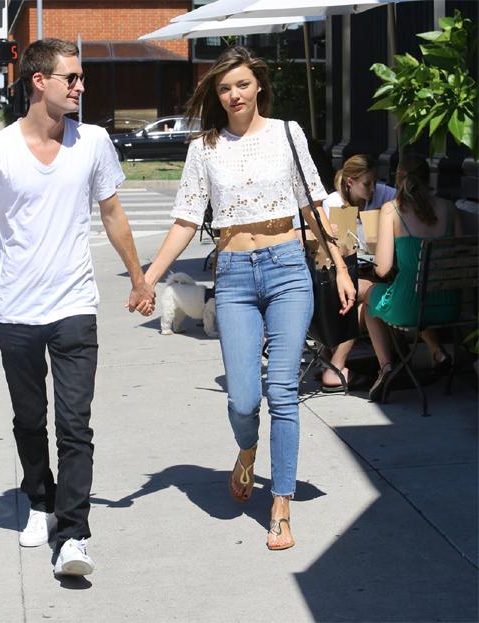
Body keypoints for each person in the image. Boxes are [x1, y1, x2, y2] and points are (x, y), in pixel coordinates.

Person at [0, 38, 155, 576]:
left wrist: (138, 278)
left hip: (74, 306)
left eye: (81, 77)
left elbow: (112, 214)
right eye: (73, 77)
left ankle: (73, 536)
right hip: (17, 309)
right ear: (40, 81)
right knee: (28, 419)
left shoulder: (93, 142)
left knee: (74, 425)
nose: (81, 86)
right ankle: (40, 501)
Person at [144, 46, 355, 550]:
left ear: (258, 84)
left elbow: (313, 203)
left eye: (242, 84)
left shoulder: (287, 133)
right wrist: (148, 278)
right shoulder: (204, 147)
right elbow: (186, 219)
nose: (234, 94)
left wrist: (342, 266)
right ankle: (246, 449)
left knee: (281, 391)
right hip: (236, 275)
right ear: (216, 95)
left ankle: (280, 503)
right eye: (224, 88)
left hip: (287, 270)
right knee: (243, 399)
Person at [363, 154, 461, 401]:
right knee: (417, 294)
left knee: (369, 295)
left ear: (398, 178)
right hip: (449, 306)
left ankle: (386, 367)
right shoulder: (449, 208)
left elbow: (382, 269)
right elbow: (459, 255)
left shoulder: (392, 210)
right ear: (429, 178)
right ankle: (437, 351)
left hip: (410, 306)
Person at [320, 155, 396, 392]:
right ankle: (343, 366)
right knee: (371, 293)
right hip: (340, 276)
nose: (373, 189)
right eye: (367, 183)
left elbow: (403, 206)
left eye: (375, 182)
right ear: (350, 182)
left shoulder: (383, 195)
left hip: (375, 271)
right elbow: (336, 252)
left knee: (368, 299)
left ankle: (341, 365)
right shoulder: (334, 203)